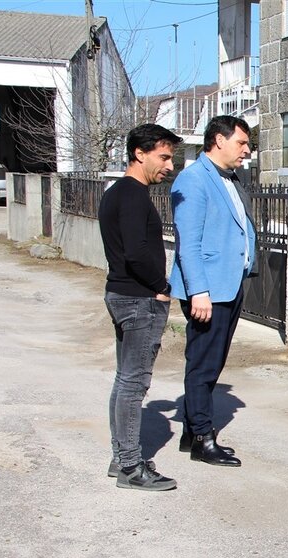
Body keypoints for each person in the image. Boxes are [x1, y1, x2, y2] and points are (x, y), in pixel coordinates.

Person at [100, 123, 183, 491]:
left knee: (124, 381)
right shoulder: (132, 195)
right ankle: (132, 467)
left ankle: (122, 457)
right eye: (164, 157)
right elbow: (135, 253)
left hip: (123, 294)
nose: (169, 165)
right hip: (138, 299)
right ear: (140, 153)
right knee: (134, 384)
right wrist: (162, 287)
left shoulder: (117, 192)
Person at [169, 115, 256, 467]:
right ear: (218, 140)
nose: (247, 151)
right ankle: (203, 439)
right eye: (242, 143)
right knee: (203, 363)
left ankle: (193, 431)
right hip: (208, 290)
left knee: (213, 361)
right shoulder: (193, 179)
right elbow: (187, 244)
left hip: (229, 285)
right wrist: (198, 291)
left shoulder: (230, 179)